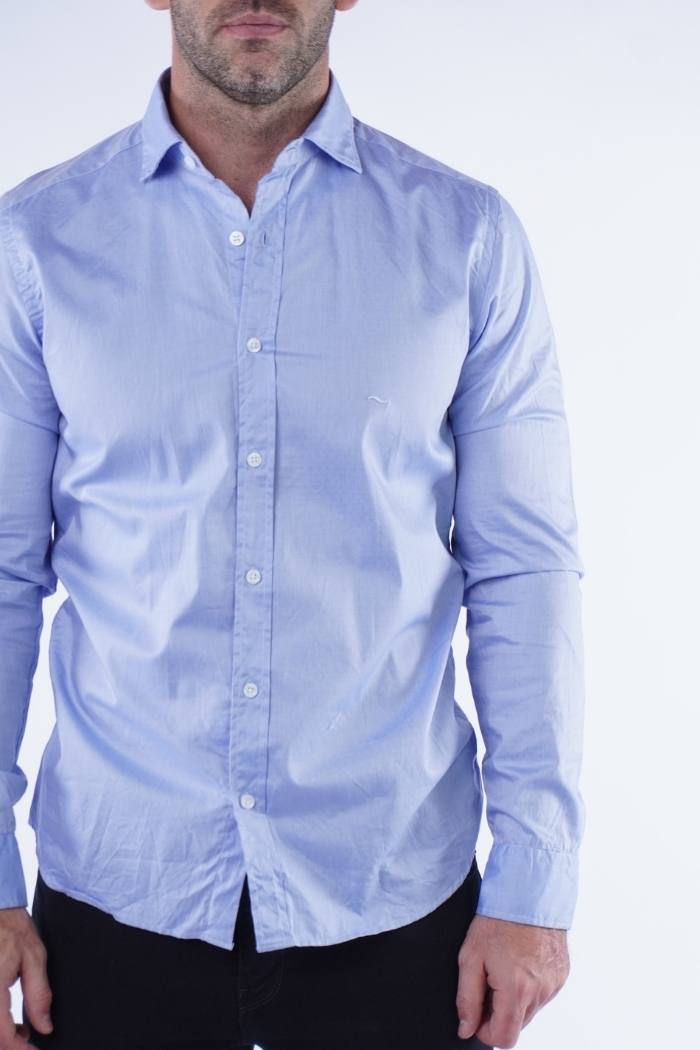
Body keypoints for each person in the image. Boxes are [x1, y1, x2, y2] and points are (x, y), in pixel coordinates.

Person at [0, 2, 586, 1048]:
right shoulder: (35, 242)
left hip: (399, 903)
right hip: (113, 902)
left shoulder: (466, 237)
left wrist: (535, 883)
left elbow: (522, 571)